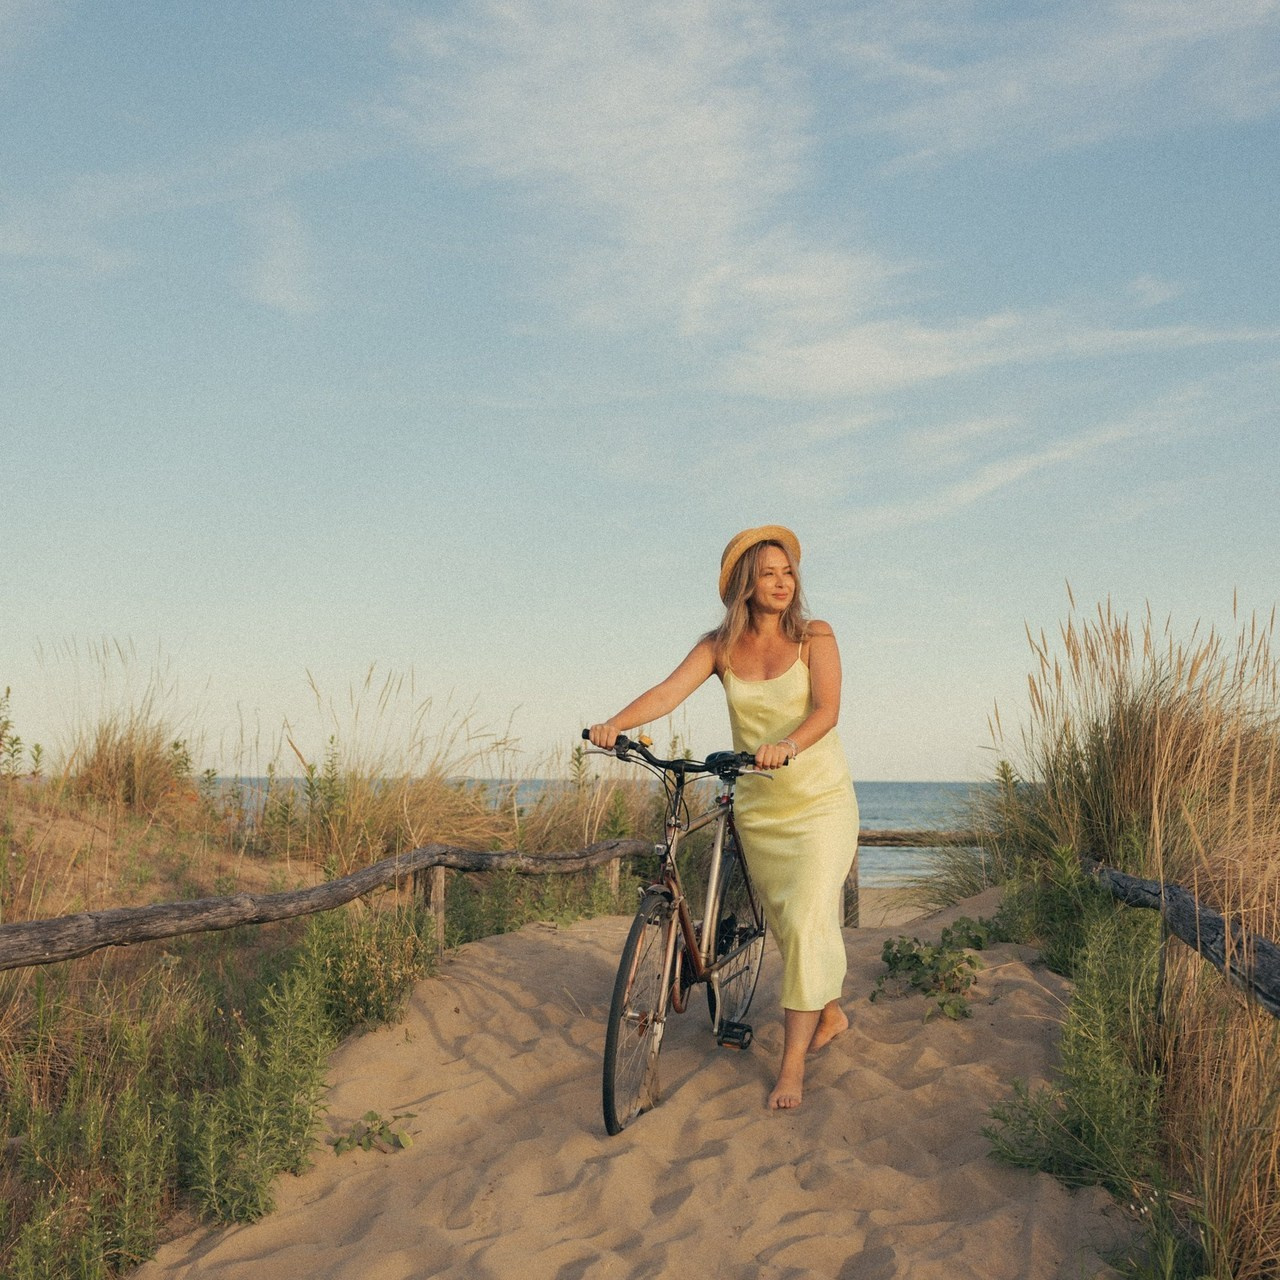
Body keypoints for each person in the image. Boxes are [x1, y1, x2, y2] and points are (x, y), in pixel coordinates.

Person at [588, 525, 859, 1111]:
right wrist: (616, 725)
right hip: (761, 808)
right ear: (745, 585)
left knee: (808, 914)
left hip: (819, 803)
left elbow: (827, 710)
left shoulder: (816, 636)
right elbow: (665, 693)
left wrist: (788, 743)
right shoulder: (717, 646)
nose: (783, 583)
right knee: (791, 922)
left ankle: (790, 1071)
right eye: (769, 573)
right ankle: (829, 1014)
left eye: (788, 572)